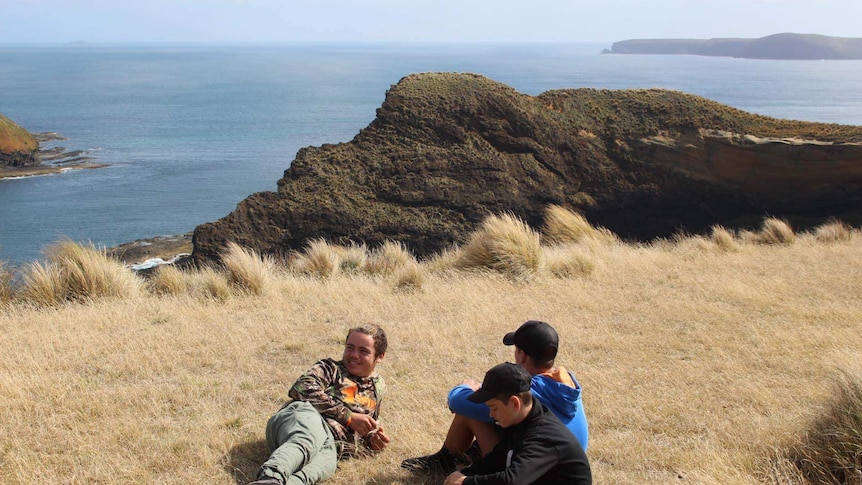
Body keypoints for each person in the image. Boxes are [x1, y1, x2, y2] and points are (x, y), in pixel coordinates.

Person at [401, 320, 588, 474]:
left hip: (532, 468)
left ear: (521, 355)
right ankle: (463, 456)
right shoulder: (566, 385)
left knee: (471, 411)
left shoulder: (526, 394)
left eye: (515, 350)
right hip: (560, 465)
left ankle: (443, 460)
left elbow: (459, 402)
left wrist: (465, 387)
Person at [247, 324, 391, 485]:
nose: (354, 355)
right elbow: (300, 388)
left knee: (323, 467)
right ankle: (271, 477)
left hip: (330, 445)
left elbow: (367, 423)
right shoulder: (330, 368)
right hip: (302, 420)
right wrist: (348, 416)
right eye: (350, 348)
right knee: (305, 440)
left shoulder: (378, 387)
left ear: (380, 356)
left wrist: (372, 439)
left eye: (363, 351)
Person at [442, 362, 592, 485]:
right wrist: (465, 473)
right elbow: (497, 458)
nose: (490, 414)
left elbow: (513, 480)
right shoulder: (522, 419)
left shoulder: (544, 437)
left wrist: (467, 482)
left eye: (494, 408)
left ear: (514, 403)